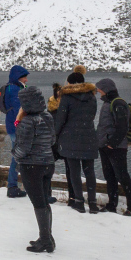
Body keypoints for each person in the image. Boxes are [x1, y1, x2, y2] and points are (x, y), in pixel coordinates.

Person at [12, 83, 57, 252]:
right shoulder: (47, 116)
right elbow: (52, 140)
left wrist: (14, 156)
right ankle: (47, 237)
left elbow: (22, 148)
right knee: (44, 201)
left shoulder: (28, 121)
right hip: (47, 163)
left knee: (38, 203)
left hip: (32, 166)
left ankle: (45, 240)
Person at [53, 67, 99, 213]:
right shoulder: (92, 97)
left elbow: (60, 119)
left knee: (74, 171)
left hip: (70, 139)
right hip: (89, 137)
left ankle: (78, 201)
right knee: (89, 171)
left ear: (70, 83)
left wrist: (55, 135)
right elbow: (91, 116)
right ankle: (92, 203)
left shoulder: (66, 98)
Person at [95, 78, 131, 217]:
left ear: (105, 89)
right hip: (106, 147)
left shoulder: (118, 103)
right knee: (110, 177)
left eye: (99, 89)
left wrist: (111, 144)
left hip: (116, 148)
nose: (97, 91)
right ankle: (112, 205)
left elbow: (122, 127)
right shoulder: (108, 103)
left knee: (122, 177)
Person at [1, 65, 28, 198]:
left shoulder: (12, 88)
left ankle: (14, 186)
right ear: (18, 77)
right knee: (18, 158)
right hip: (17, 129)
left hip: (13, 128)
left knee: (17, 157)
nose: (26, 80)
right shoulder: (15, 90)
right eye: (24, 77)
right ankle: (13, 186)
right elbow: (20, 111)